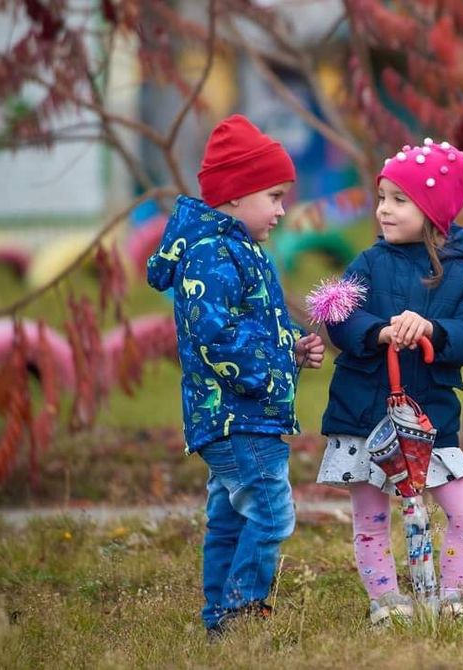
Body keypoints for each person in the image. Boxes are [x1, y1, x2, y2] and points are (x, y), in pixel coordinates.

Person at [147, 114, 326, 638]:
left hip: (239, 414)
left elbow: (254, 321)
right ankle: (240, 613)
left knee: (228, 520)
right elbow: (216, 335)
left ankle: (216, 621)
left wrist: (291, 344)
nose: (281, 208)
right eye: (272, 195)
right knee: (270, 514)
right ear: (234, 197)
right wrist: (273, 373)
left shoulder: (238, 249)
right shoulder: (212, 254)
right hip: (238, 416)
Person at [316, 139, 463, 623]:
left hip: (429, 418)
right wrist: (377, 331)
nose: (383, 211)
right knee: (372, 516)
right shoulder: (369, 263)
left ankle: (454, 596)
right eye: (382, 198)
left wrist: (434, 330)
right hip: (366, 413)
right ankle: (387, 602)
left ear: (434, 210)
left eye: (399, 200)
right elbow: (338, 314)